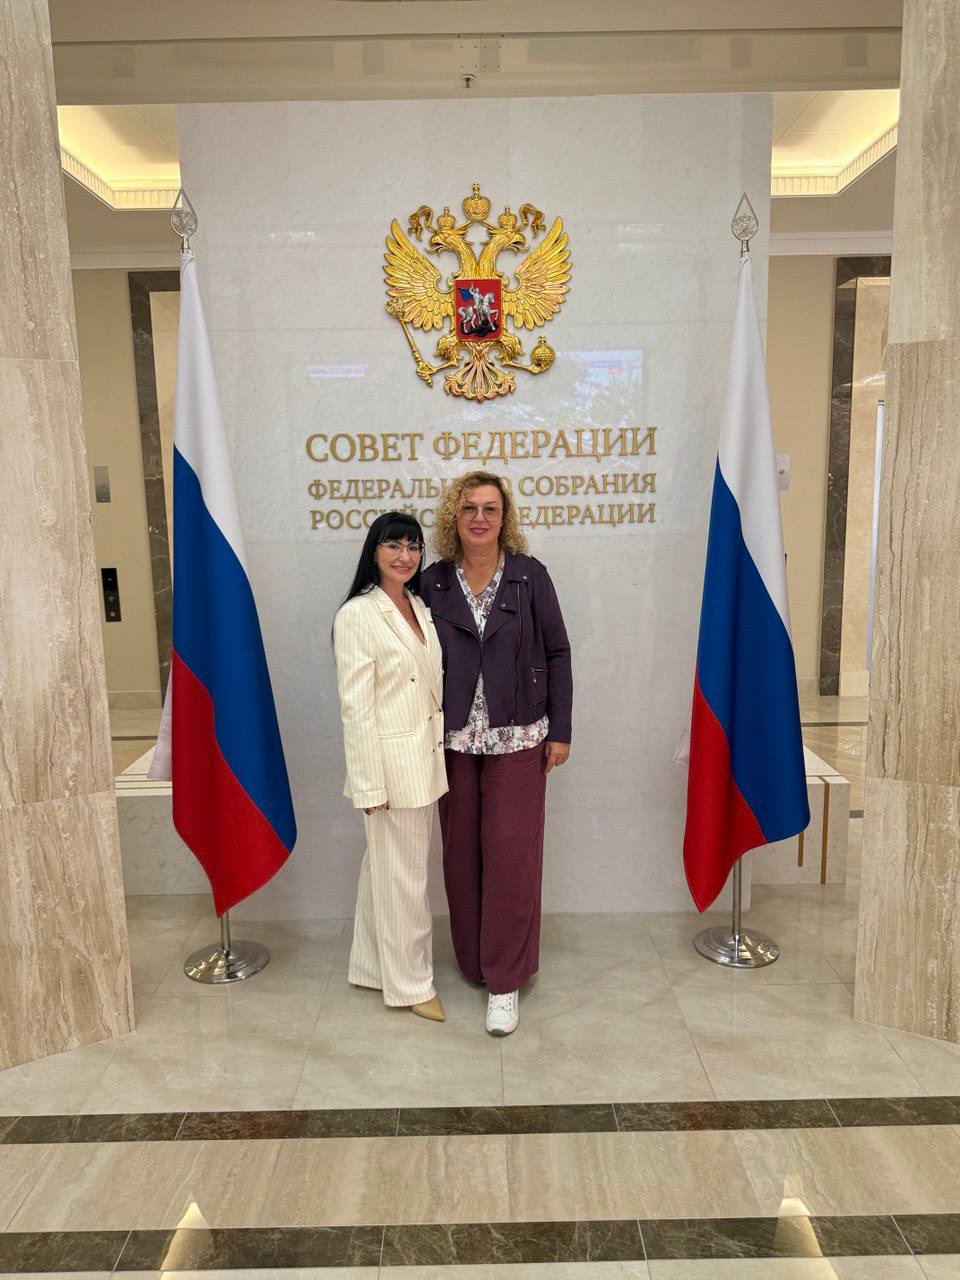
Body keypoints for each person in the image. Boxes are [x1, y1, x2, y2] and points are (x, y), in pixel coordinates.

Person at [420, 472, 572, 1035]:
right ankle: (474, 962)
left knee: (511, 856)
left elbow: (558, 651)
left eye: (490, 508)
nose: (479, 518)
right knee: (461, 856)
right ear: (453, 518)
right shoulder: (432, 582)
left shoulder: (530, 577)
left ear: (504, 518)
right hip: (452, 742)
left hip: (520, 737)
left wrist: (562, 729)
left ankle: (504, 981)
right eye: (468, 509)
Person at [333, 512, 447, 1021]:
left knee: (382, 869)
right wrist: (368, 784)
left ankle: (373, 965)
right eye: (394, 545)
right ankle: (410, 983)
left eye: (413, 546)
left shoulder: (418, 607)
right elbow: (356, 707)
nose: (405, 555)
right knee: (404, 879)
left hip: (424, 760)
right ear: (374, 551)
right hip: (390, 770)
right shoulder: (359, 614)